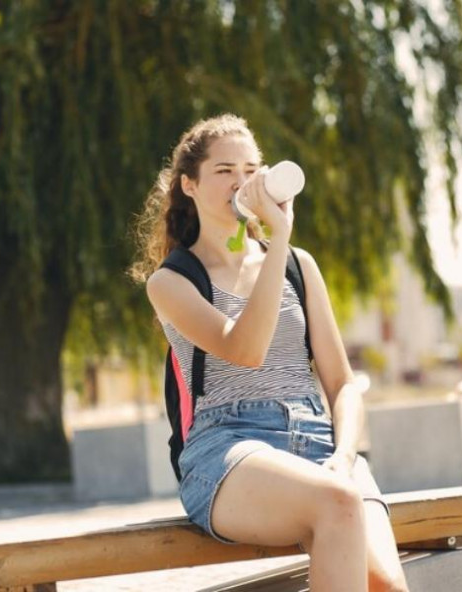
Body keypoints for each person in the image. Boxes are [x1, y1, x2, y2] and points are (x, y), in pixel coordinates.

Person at [130, 114, 410, 592]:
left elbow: (342, 384)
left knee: (385, 586)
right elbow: (246, 349)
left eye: (251, 169)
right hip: (229, 448)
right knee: (338, 504)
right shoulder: (172, 282)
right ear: (189, 185)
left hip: (324, 450)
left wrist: (344, 455)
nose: (242, 182)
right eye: (224, 171)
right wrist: (278, 236)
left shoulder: (300, 267)